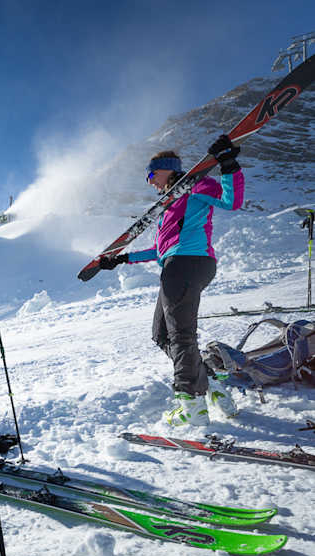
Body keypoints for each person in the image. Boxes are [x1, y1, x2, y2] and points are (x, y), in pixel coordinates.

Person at [99, 134, 243, 426]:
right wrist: (123, 259)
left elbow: (232, 201)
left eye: (151, 175)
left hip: (188, 263)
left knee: (181, 335)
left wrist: (229, 165)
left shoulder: (195, 185)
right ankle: (211, 384)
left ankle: (191, 404)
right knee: (162, 334)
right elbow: (161, 249)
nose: (150, 182)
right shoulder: (170, 206)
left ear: (166, 170)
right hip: (177, 265)